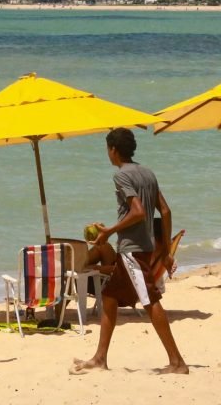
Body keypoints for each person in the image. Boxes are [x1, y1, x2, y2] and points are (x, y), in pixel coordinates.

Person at [71, 127, 187, 375]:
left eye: (107, 149)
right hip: (142, 249)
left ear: (113, 150)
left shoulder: (121, 176)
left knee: (150, 300)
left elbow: (138, 212)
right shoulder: (147, 173)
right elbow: (165, 212)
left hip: (132, 251)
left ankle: (178, 362)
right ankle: (100, 358)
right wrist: (165, 251)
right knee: (110, 297)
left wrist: (109, 231)